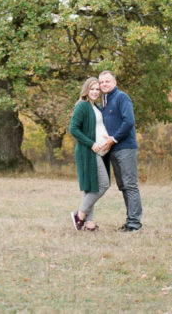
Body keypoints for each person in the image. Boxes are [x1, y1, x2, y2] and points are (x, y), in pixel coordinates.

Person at [98, 69, 143, 232]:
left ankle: (134, 224)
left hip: (125, 148)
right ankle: (130, 221)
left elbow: (129, 121)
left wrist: (114, 138)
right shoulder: (104, 102)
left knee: (130, 185)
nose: (104, 84)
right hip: (112, 150)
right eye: (101, 82)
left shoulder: (121, 97)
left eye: (107, 81)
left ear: (115, 82)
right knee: (123, 185)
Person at [68, 77, 112, 232]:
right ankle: (79, 214)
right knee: (103, 184)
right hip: (88, 151)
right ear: (86, 90)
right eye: (92, 89)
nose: (95, 92)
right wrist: (91, 144)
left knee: (91, 187)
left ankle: (89, 223)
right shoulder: (82, 106)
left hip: (99, 152)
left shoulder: (96, 107)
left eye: (97, 89)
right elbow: (73, 129)